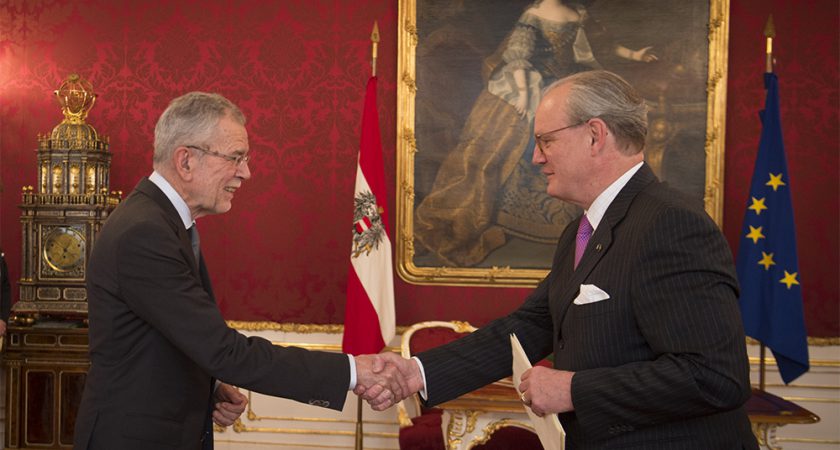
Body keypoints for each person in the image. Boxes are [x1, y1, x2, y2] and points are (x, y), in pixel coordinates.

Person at [369, 71, 758, 449]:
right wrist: (417, 372)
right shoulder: (582, 230)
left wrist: (573, 389)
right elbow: (531, 325)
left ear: (595, 135)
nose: (536, 158)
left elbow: (714, 376)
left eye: (545, 141)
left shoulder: (670, 223)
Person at [74, 92, 404, 450]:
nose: (246, 172)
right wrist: (353, 371)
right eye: (235, 158)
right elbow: (223, 351)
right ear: (186, 160)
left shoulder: (161, 222)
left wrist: (209, 386)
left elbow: (163, 336)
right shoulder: (145, 233)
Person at [414, 0, 656, 267]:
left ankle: (581, 211)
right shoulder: (534, 14)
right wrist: (523, 93)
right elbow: (519, 57)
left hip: (572, 85)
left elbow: (601, 46)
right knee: (523, 138)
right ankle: (516, 213)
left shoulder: (578, 13)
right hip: (535, 83)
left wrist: (635, 55)